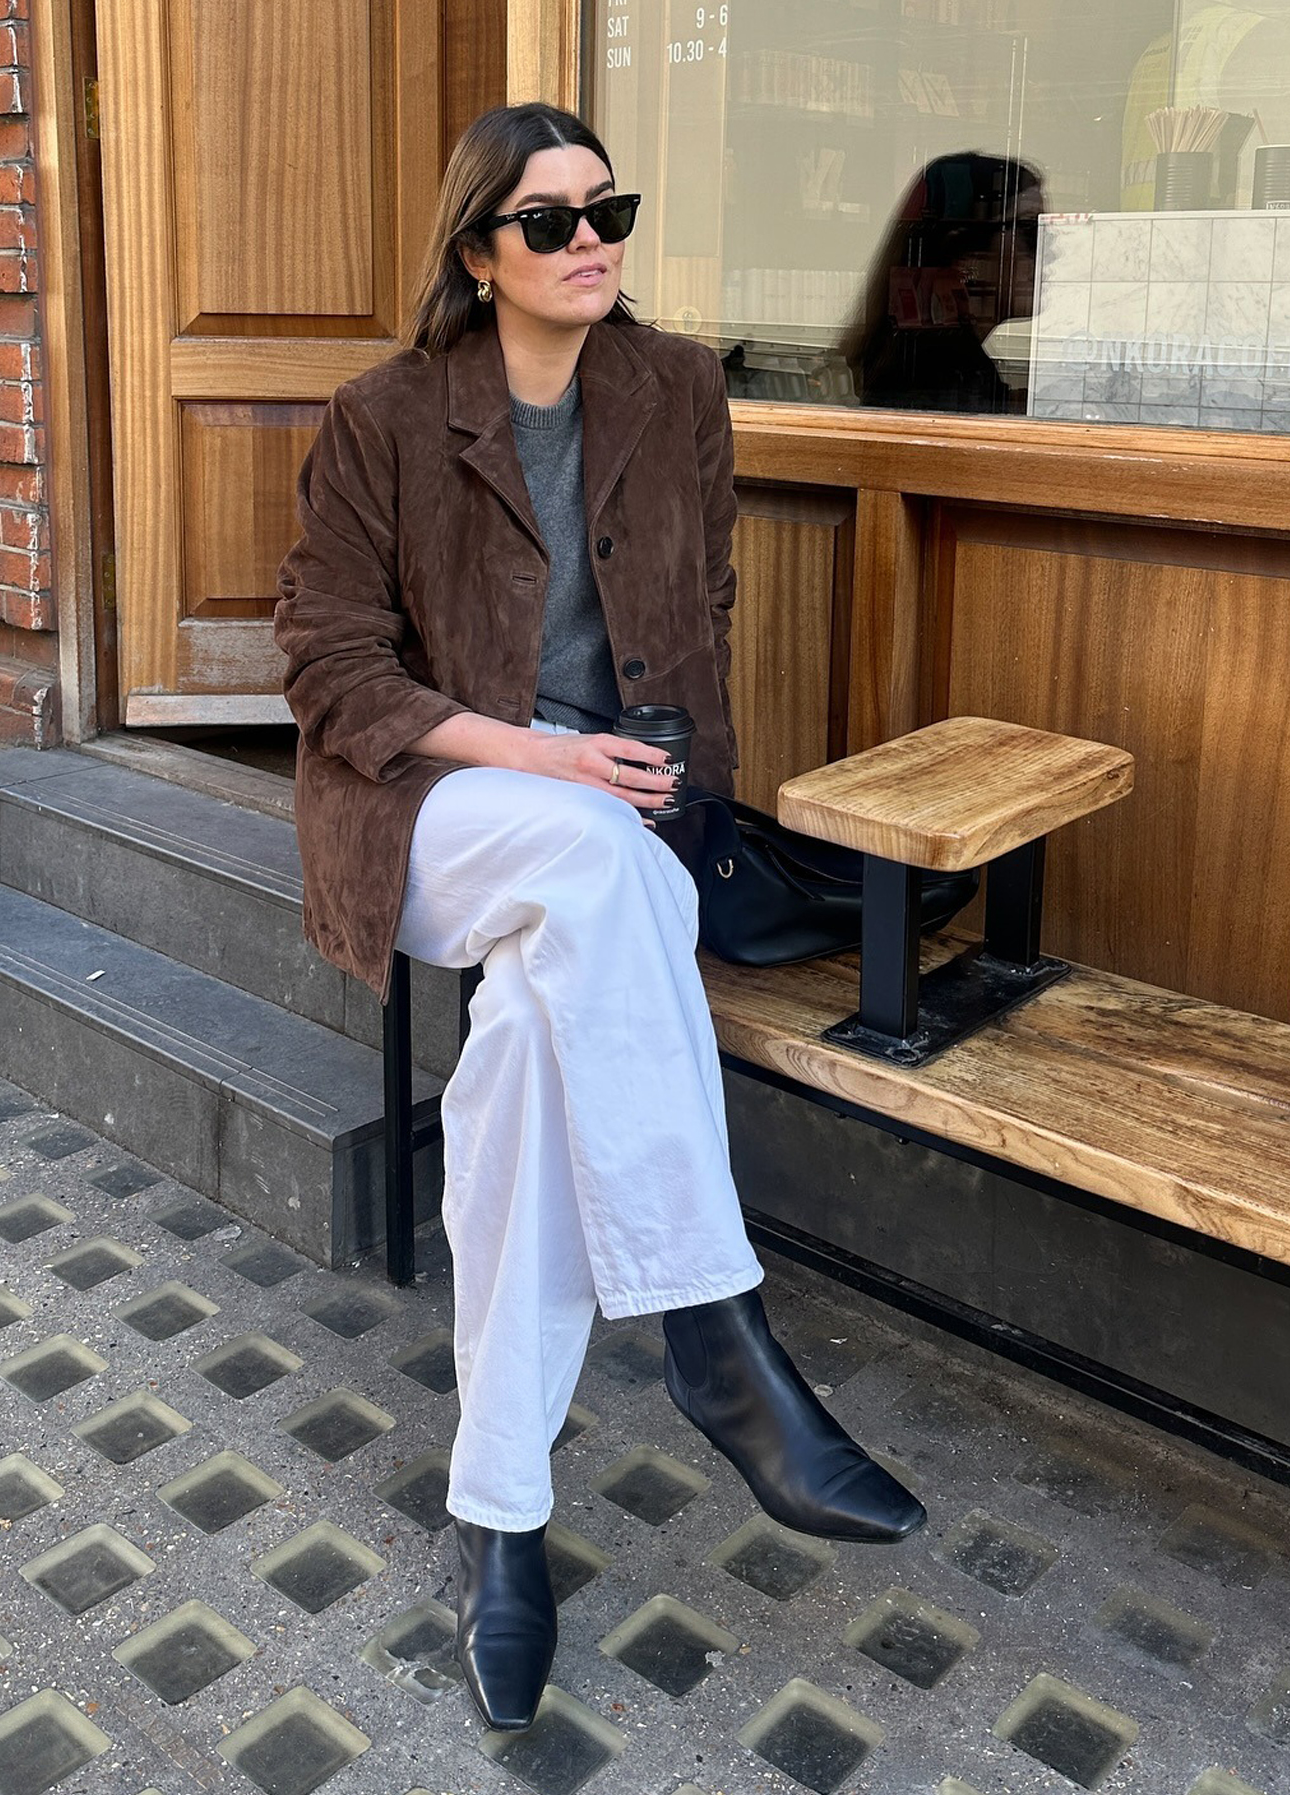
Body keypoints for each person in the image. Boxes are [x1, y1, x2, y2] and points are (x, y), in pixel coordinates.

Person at [274, 101, 924, 1735]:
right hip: (435, 811)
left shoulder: (675, 387)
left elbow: (699, 602)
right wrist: (548, 755)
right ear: (476, 251)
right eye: (550, 221)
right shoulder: (383, 419)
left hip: (620, 834)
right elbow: (331, 666)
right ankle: (716, 1336)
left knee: (522, 1060)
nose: (590, 242)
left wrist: (653, 770)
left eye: (606, 209)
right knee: (575, 868)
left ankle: (502, 1519)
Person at [841, 151, 1043, 414]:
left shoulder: (917, 363)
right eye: (1032, 231)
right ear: (965, 255)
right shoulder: (949, 381)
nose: (1050, 251)